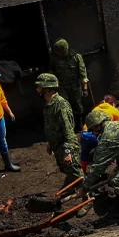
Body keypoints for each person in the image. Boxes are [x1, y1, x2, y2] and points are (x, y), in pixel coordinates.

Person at [34, 74, 86, 206]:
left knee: (76, 174)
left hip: (66, 146)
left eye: (39, 86)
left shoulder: (60, 105)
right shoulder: (49, 103)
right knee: (66, 170)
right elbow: (53, 127)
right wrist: (50, 143)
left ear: (47, 88)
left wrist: (68, 151)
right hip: (57, 145)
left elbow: (68, 130)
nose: (37, 89)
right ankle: (74, 189)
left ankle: (86, 200)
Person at [49, 39, 89, 133]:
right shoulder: (54, 57)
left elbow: (83, 74)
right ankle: (69, 126)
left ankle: (79, 125)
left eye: (59, 52)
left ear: (64, 51)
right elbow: (51, 71)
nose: (58, 54)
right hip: (61, 86)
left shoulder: (76, 57)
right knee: (65, 106)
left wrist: (85, 89)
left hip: (75, 86)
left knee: (77, 106)